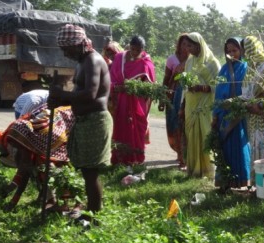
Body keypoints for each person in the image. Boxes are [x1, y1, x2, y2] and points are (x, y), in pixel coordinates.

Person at [48, 24, 112, 216]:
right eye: (63, 49)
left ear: (80, 44)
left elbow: (90, 94)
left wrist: (62, 95)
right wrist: (58, 100)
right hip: (85, 120)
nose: (65, 53)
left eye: (68, 49)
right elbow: (77, 94)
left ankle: (94, 216)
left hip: (96, 121)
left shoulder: (93, 60)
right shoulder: (82, 61)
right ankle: (91, 211)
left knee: (90, 172)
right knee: (85, 170)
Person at [0, 104, 74, 211]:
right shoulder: (15, 136)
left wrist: (13, 200)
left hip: (57, 127)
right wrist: (11, 191)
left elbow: (25, 173)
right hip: (53, 125)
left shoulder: (19, 140)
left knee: (49, 168)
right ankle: (50, 200)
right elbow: (22, 171)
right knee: (42, 168)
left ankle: (59, 203)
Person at [109, 35, 156, 166]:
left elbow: (149, 85)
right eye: (133, 49)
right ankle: (119, 159)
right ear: (129, 47)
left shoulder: (146, 62)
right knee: (121, 126)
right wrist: (116, 87)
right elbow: (111, 78)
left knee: (137, 127)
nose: (135, 53)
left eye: (138, 50)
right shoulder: (120, 58)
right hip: (121, 100)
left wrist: (136, 87)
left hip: (137, 101)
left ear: (143, 49)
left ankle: (135, 158)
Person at [212, 37, 251, 189]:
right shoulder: (223, 69)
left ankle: (241, 181)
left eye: (234, 50)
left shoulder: (247, 69)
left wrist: (235, 103)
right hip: (223, 115)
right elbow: (217, 94)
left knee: (239, 148)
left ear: (241, 51)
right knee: (225, 149)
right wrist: (215, 114)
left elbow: (248, 92)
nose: (231, 54)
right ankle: (225, 182)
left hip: (238, 115)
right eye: (228, 51)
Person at [241, 35, 264, 183]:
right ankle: (258, 184)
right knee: (256, 148)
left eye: (247, 49)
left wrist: (259, 105)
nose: (245, 54)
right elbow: (246, 92)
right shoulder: (251, 69)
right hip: (252, 117)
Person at [183, 32, 220, 178]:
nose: (188, 49)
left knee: (205, 135)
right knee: (191, 135)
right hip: (191, 105)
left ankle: (208, 170)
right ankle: (194, 170)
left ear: (199, 45)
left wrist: (203, 88)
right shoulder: (189, 62)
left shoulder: (212, 63)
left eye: (190, 45)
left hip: (206, 105)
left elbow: (219, 85)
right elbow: (185, 84)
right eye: (186, 45)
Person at [160, 33, 190, 170]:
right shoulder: (172, 59)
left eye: (189, 44)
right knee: (175, 124)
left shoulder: (194, 59)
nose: (186, 47)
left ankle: (185, 156)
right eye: (184, 44)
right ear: (179, 45)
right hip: (174, 94)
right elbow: (166, 79)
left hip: (188, 95)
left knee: (185, 124)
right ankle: (180, 153)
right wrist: (162, 98)